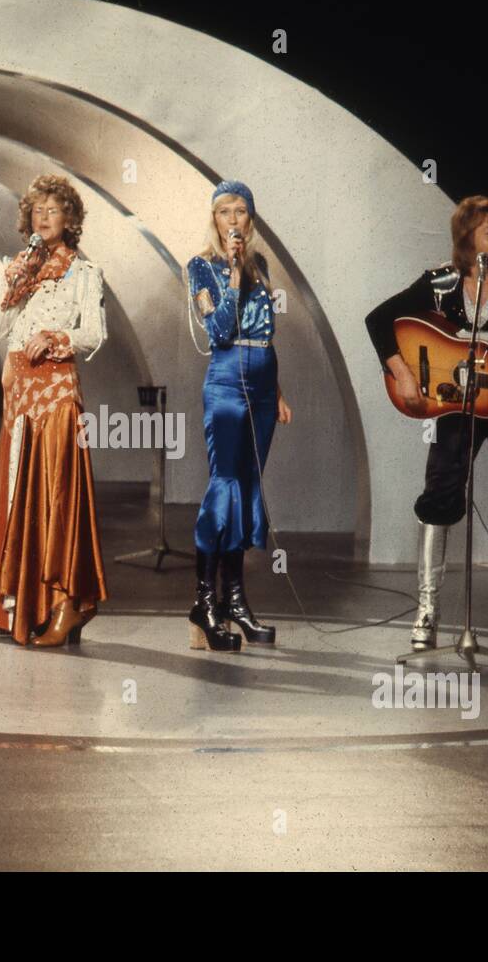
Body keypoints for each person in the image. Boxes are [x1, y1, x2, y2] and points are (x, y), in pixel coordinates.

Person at [363, 196, 488, 659]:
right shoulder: (442, 282)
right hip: (455, 403)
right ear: (467, 238)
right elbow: (378, 320)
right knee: (440, 493)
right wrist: (402, 373)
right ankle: (427, 609)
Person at [0, 174, 108, 647]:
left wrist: (54, 338)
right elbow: (1, 326)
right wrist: (13, 284)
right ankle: (20, 608)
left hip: (56, 393)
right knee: (18, 494)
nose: (44, 217)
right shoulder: (21, 267)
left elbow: (94, 334)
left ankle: (66, 604)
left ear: (69, 219)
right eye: (37, 210)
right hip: (20, 393)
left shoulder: (82, 272)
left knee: (55, 496)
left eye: (53, 210)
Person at [184, 180, 292, 652]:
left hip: (263, 386)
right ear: (214, 219)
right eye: (224, 211)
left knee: (247, 488)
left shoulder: (261, 264)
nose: (233, 219)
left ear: (251, 219)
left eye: (241, 211)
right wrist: (230, 273)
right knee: (225, 486)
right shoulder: (200, 266)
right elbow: (220, 330)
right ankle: (204, 603)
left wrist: (277, 391)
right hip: (227, 383)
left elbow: (265, 332)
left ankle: (235, 601)